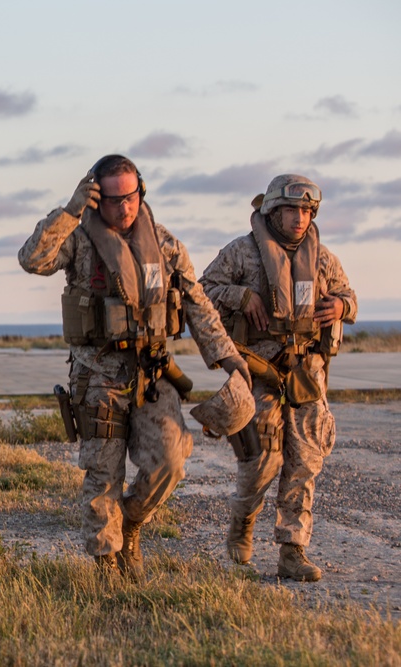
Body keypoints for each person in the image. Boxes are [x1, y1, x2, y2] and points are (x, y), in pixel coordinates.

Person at [18, 155, 249, 579]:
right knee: (103, 474)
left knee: (171, 461)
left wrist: (227, 356)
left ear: (140, 192)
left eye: (132, 197)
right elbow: (33, 259)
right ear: (95, 197)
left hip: (152, 373)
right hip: (97, 375)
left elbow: (198, 304)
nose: (125, 208)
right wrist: (69, 211)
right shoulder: (79, 238)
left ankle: (133, 522)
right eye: (113, 200)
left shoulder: (164, 244)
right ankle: (108, 564)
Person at [199, 174, 356, 582]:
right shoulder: (241, 253)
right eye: (291, 210)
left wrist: (340, 306)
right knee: (263, 462)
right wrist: (241, 296)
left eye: (306, 211)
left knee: (305, 462)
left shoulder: (322, 258)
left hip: (306, 377)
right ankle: (243, 521)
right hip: (259, 372)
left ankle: (292, 550)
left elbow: (350, 297)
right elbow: (201, 291)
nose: (300, 218)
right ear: (271, 210)